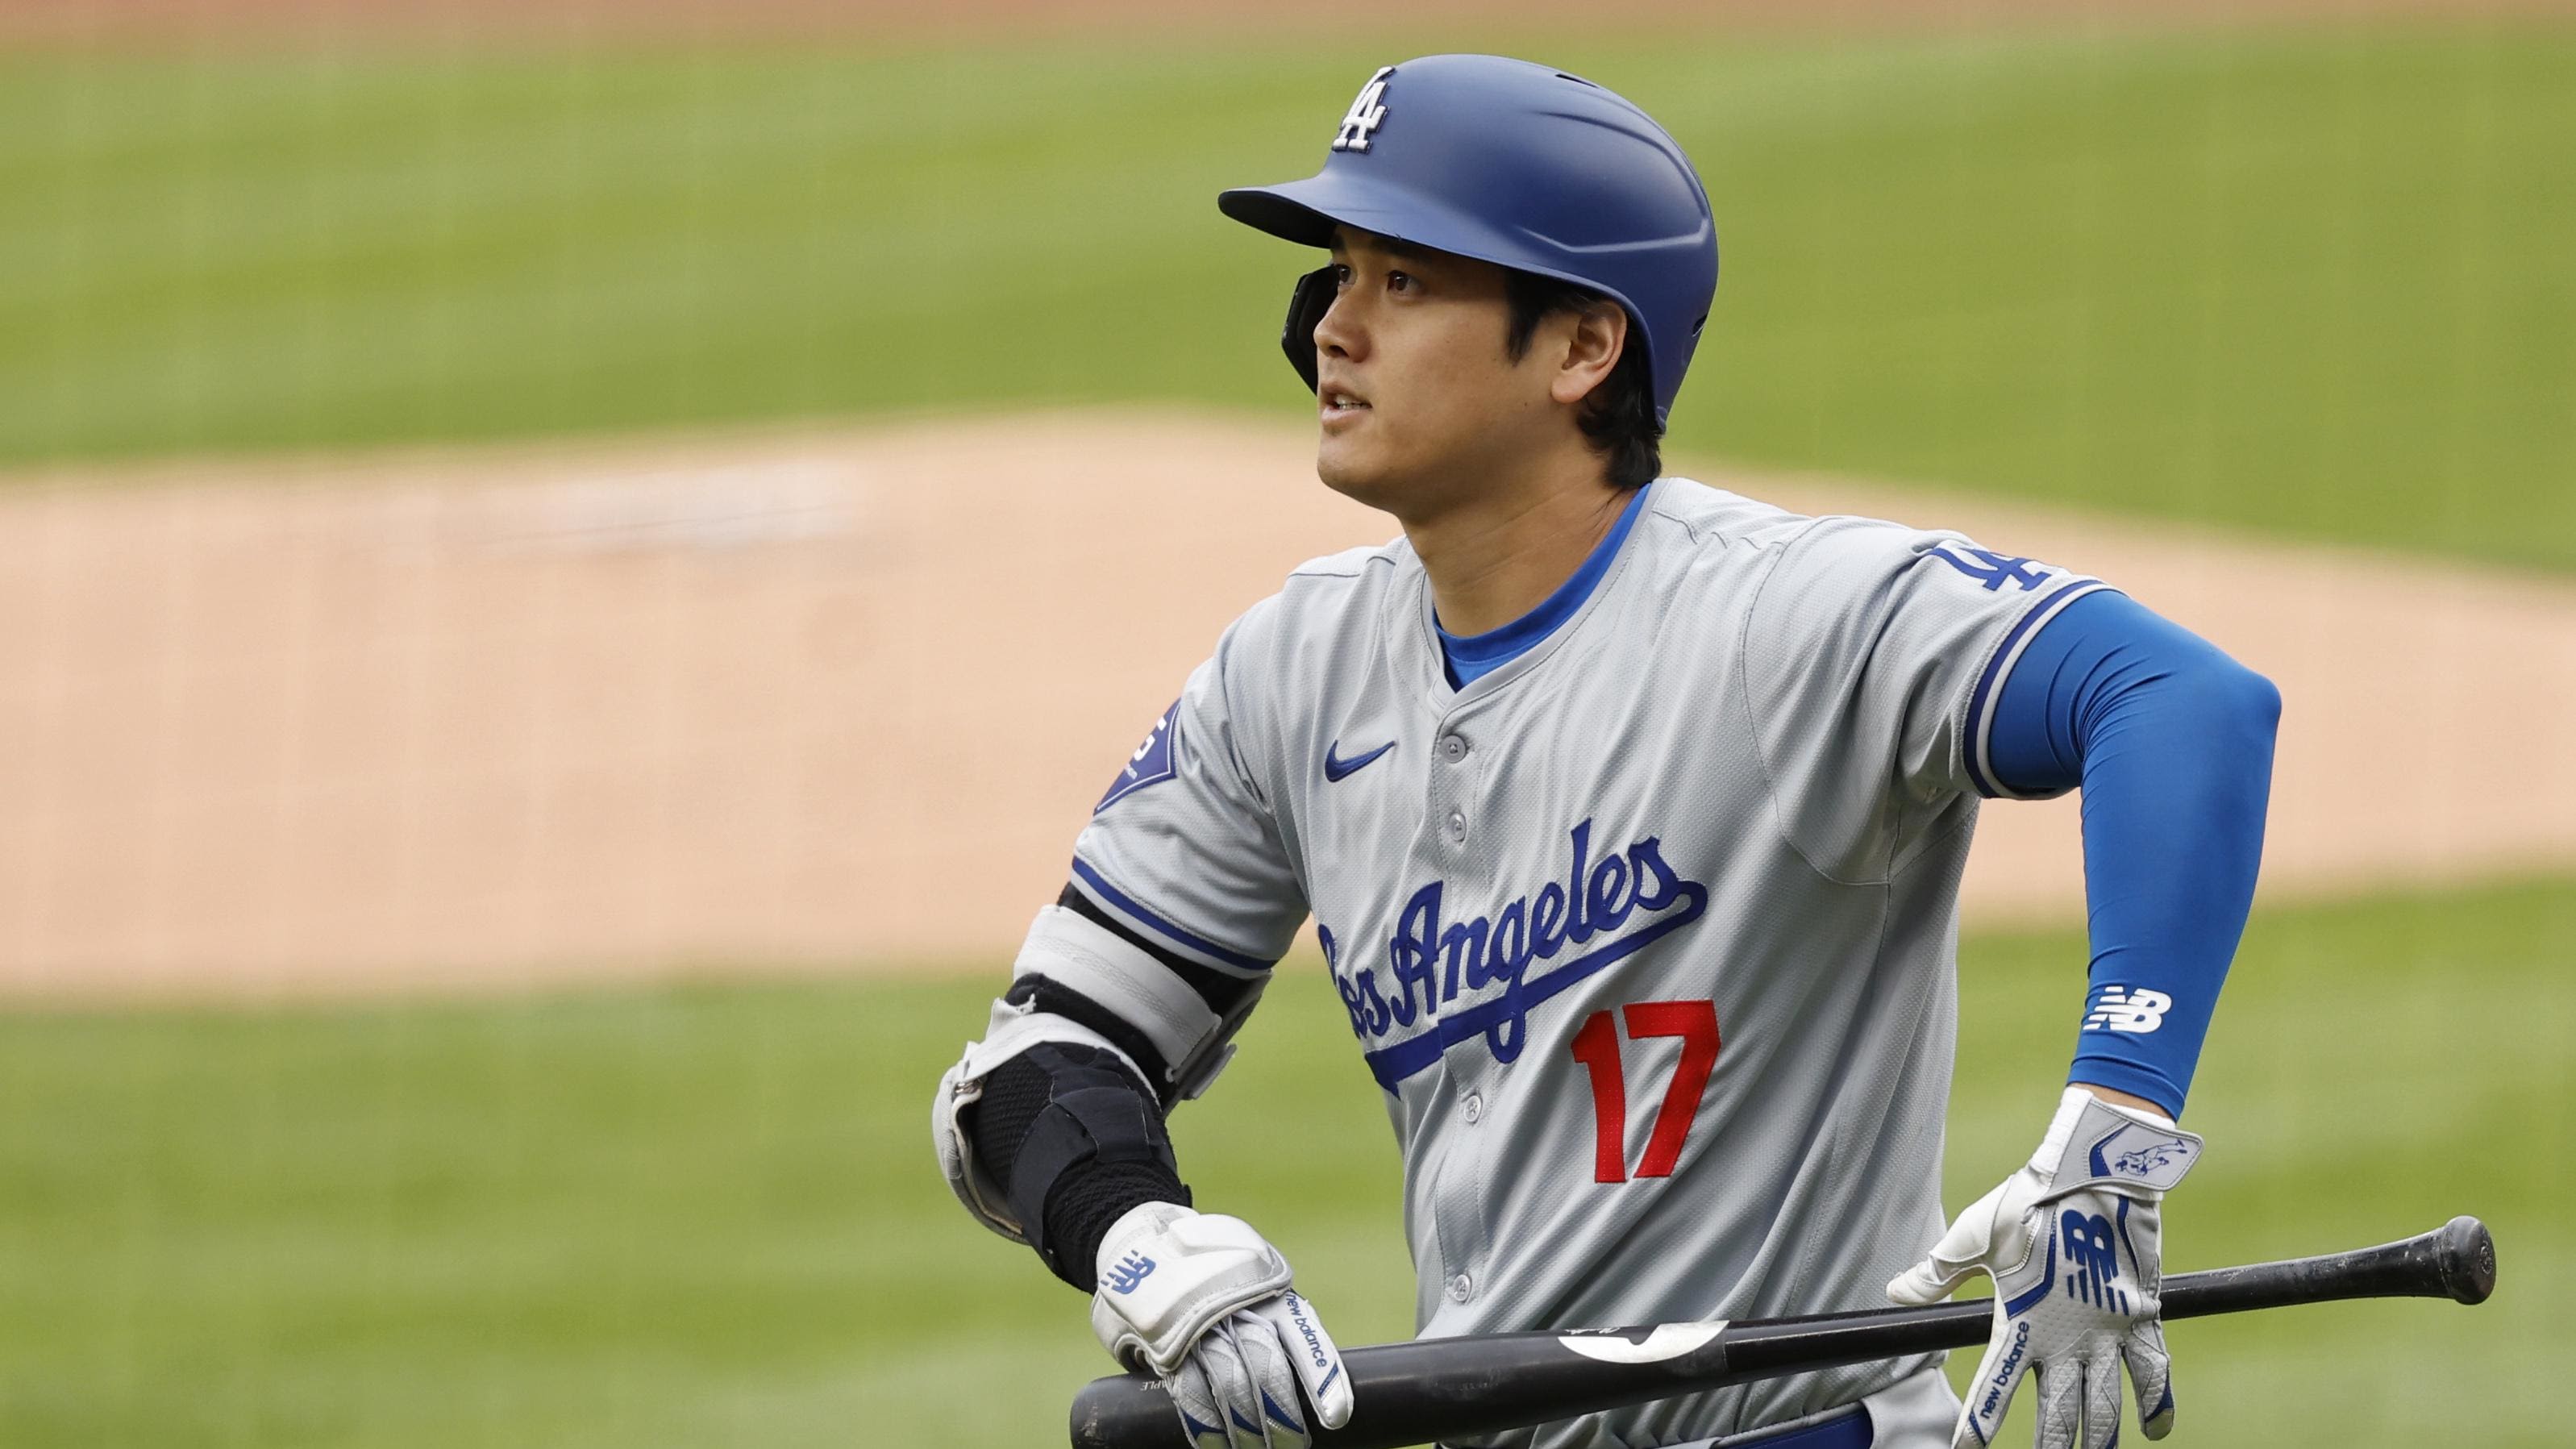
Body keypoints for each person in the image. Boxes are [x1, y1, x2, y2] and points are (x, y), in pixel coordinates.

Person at [932, 54, 2279, 1449]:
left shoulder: (1781, 620)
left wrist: (2117, 1123)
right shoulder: (1291, 673)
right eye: (1335, 275)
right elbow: (1040, 1057)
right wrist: (1142, 1237)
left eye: (1403, 281)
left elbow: (2180, 698)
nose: (1333, 328)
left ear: (1583, 347)